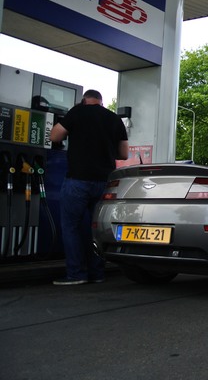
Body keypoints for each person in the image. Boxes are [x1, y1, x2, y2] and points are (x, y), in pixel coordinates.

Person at [50, 89, 129, 285]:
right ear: (101, 102)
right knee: (97, 228)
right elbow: (124, 154)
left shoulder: (77, 112)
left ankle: (76, 274)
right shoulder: (114, 119)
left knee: (71, 226)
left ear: (84, 100)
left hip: (78, 180)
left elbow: (54, 136)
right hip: (105, 182)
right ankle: (97, 273)